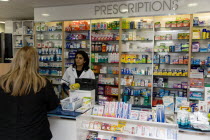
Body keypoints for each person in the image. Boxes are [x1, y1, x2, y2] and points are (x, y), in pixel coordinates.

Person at [0, 46, 60, 140]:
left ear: (16, 60)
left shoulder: (3, 82)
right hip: (35, 135)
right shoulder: (42, 83)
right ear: (35, 62)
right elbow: (53, 105)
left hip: (6, 135)